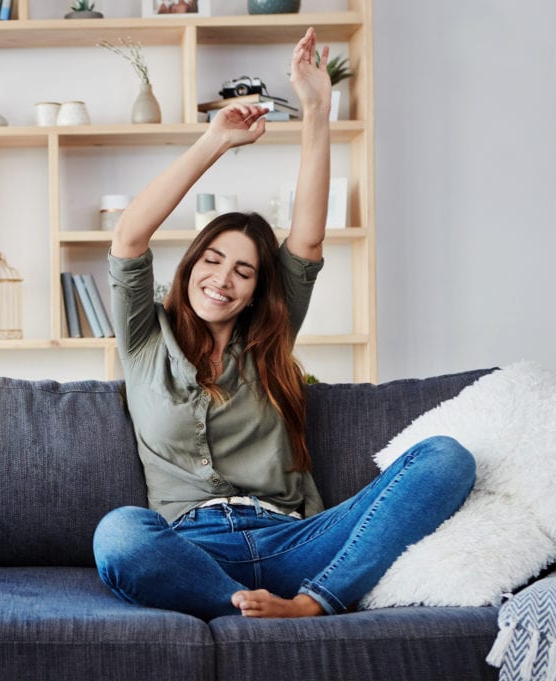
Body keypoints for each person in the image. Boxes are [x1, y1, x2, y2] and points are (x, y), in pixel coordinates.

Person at [92, 28, 475, 620]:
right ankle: (245, 608)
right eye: (212, 261)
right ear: (191, 266)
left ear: (254, 293)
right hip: (192, 547)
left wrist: (318, 109)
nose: (222, 279)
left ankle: (310, 604)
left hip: (296, 541)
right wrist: (215, 139)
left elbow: (308, 238)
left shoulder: (270, 338)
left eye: (243, 272)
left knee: (446, 458)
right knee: (119, 534)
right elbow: (128, 237)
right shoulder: (146, 337)